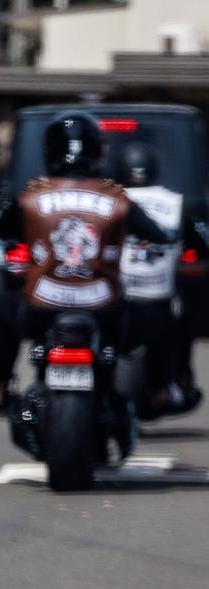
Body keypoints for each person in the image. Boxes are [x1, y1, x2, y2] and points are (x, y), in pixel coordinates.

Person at [0, 111, 170, 411]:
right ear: (98, 152)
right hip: (106, 312)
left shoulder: (31, 196)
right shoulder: (118, 198)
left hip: (41, 310)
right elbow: (159, 234)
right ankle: (160, 392)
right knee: (159, 313)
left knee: (4, 305)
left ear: (49, 150)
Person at [114, 142, 205, 417]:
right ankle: (173, 385)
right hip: (158, 301)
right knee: (183, 318)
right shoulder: (174, 202)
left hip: (111, 298)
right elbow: (200, 241)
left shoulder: (107, 199)